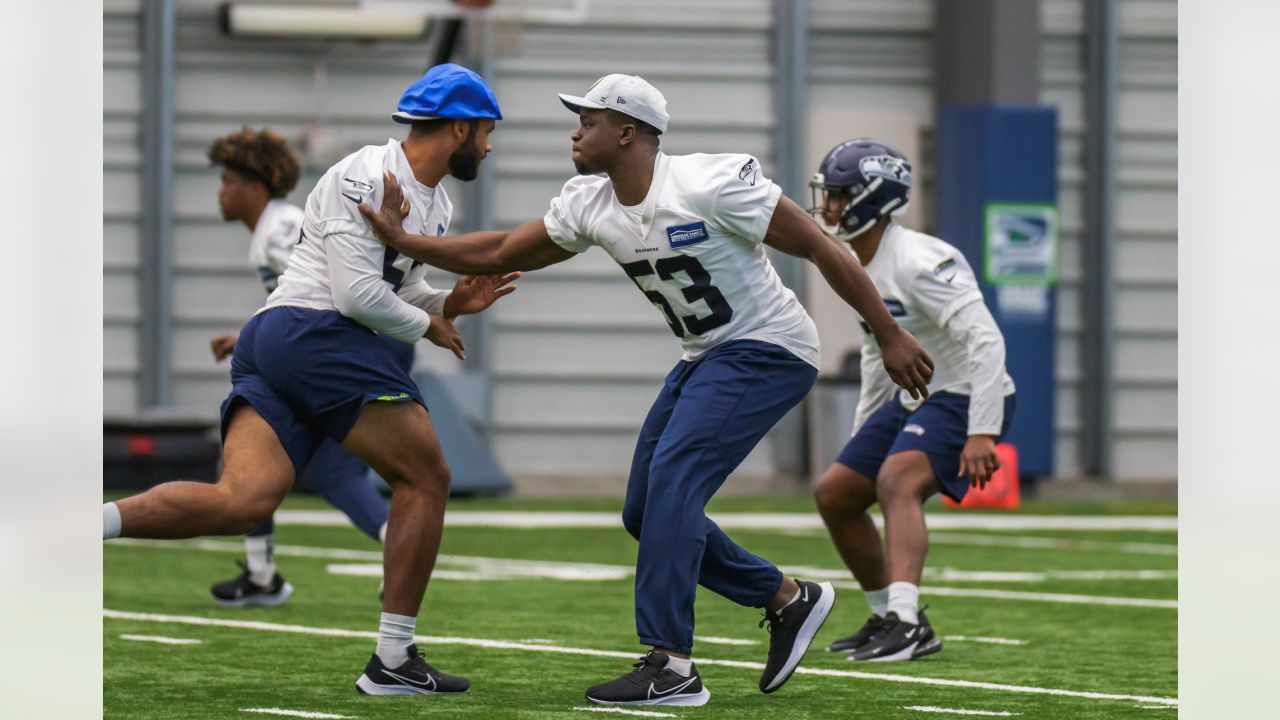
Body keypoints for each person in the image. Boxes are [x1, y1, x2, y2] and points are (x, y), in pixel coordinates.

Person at [358, 73, 934, 707]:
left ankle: (672, 664)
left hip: (770, 347)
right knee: (645, 511)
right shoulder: (590, 203)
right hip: (704, 354)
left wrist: (888, 334)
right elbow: (499, 247)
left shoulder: (708, 184)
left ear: (627, 132)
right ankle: (786, 598)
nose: (576, 130)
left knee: (676, 482)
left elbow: (823, 247)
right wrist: (407, 241)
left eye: (590, 120)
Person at [102, 63, 518, 696]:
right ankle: (393, 660)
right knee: (426, 475)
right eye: (487, 132)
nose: (490, 146)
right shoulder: (365, 173)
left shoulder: (435, 200)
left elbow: (398, 288)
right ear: (461, 126)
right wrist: (428, 327)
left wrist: (451, 304)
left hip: (279, 339)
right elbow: (356, 298)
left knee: (242, 502)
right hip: (316, 334)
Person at [807, 139, 1016, 662]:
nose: (828, 205)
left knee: (897, 480)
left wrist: (982, 430)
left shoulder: (923, 260)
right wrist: (863, 432)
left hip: (966, 393)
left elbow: (986, 340)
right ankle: (887, 614)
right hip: (919, 398)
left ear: (873, 198)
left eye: (838, 194)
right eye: (827, 194)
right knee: (836, 494)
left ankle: (906, 622)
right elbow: (882, 353)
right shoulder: (855, 260)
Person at [204, 127, 393, 607]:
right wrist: (248, 330)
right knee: (259, 448)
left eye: (228, 180)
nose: (220, 192)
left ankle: (403, 549)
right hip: (326, 344)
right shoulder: (267, 231)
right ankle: (262, 573)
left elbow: (329, 287)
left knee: (327, 469)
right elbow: (298, 297)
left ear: (255, 184)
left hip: (338, 346)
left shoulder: (281, 226)